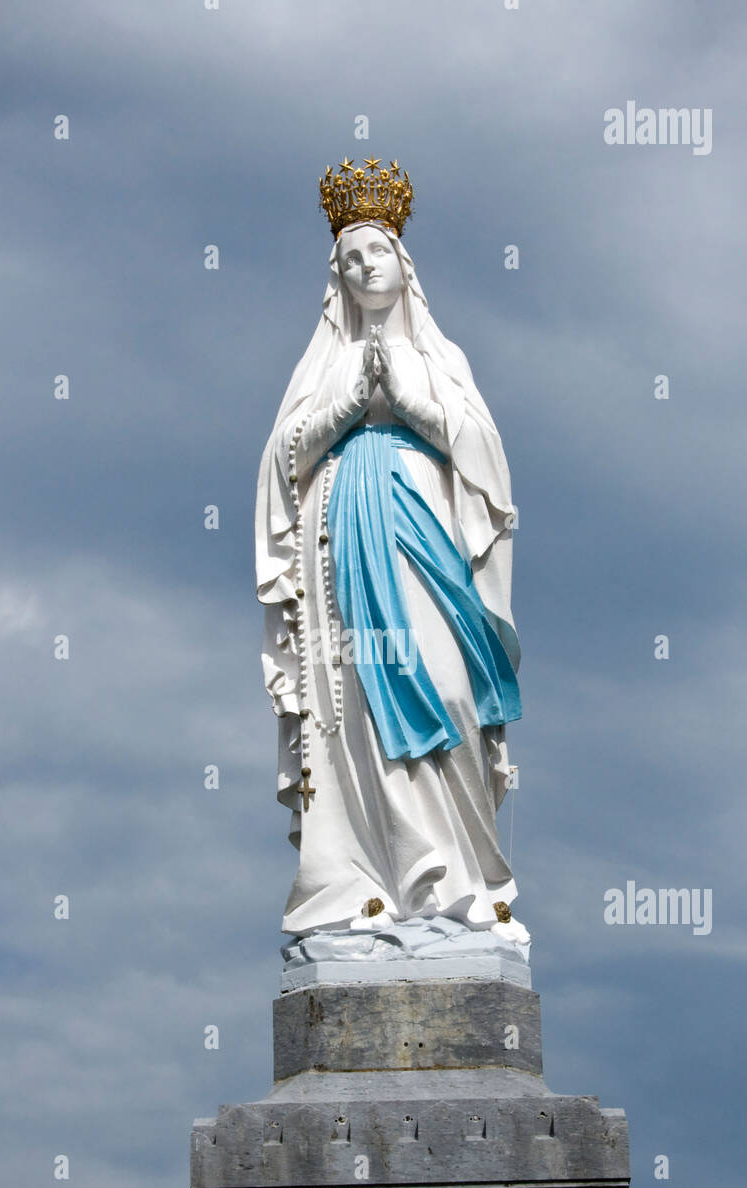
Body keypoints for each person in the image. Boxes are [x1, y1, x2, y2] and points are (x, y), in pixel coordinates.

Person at [255, 162, 529, 962]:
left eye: (373, 250)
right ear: (334, 278)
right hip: (345, 554)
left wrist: (410, 405)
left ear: (402, 263)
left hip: (425, 543)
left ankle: (459, 889)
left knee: (445, 686)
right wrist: (346, 409)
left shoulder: (444, 360)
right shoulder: (324, 366)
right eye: (346, 258)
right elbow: (281, 467)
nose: (361, 265)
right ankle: (372, 886)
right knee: (359, 713)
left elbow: (487, 464)